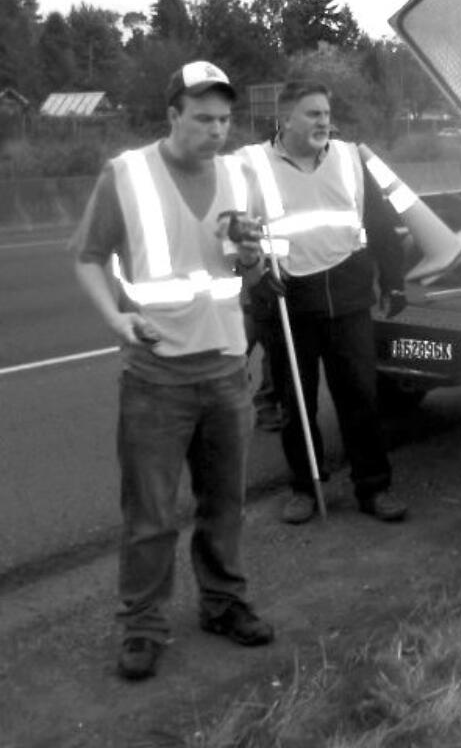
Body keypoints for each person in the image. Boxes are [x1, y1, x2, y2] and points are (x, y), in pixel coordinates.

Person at [72, 61, 274, 681]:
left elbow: (255, 272)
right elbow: (86, 257)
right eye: (203, 117)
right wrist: (116, 320)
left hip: (225, 368)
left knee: (225, 504)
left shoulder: (242, 174)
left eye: (224, 118)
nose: (217, 130)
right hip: (155, 374)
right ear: (172, 115)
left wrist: (253, 259)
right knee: (152, 512)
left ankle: (223, 603)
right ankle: (142, 625)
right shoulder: (126, 175)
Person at [244, 82, 408, 525]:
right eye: (312, 113)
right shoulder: (253, 164)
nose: (323, 121)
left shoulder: (349, 158)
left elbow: (380, 219)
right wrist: (254, 275)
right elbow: (229, 230)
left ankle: (374, 487)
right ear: (285, 119)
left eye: (326, 113)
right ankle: (304, 486)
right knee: (296, 404)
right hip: (287, 300)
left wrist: (393, 280)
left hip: (347, 295)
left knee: (360, 397)